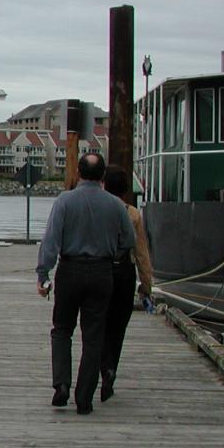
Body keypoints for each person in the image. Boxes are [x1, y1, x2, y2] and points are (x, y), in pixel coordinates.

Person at [36, 152, 136, 415]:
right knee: (94, 336)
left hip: (69, 269)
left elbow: (51, 241)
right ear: (103, 175)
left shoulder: (64, 202)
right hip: (102, 272)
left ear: (78, 174)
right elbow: (129, 240)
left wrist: (43, 274)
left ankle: (61, 385)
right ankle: (85, 397)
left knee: (62, 329)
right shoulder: (115, 205)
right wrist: (111, 252)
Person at [99, 165, 153, 402]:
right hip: (125, 274)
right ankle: (111, 368)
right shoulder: (132, 214)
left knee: (98, 323)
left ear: (104, 185)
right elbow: (141, 253)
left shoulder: (97, 209)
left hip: (99, 271)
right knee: (118, 327)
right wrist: (146, 286)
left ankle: (100, 363)